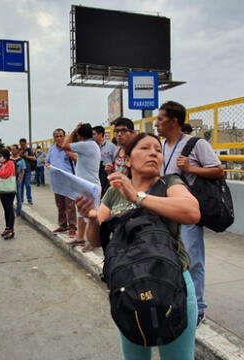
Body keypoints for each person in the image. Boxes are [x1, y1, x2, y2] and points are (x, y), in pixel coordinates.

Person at [75, 133, 200, 359]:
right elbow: (96, 240)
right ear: (129, 160)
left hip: (172, 284)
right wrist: (91, 218)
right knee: (134, 356)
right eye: (145, 148)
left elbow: (192, 212)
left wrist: (138, 197)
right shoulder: (114, 191)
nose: (154, 153)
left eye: (158, 150)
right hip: (128, 287)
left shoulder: (169, 183)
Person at [156, 100, 224, 326]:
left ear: (174, 121)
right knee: (169, 259)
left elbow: (218, 170)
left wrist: (190, 169)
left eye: (160, 119)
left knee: (192, 260)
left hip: (187, 211)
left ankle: (198, 307)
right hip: (165, 212)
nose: (157, 124)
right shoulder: (161, 145)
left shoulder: (196, 144)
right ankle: (176, 299)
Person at [61, 123, 100, 252]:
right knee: (82, 214)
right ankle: (80, 238)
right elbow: (79, 158)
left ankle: (92, 242)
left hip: (89, 186)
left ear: (80, 135)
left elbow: (64, 145)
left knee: (90, 216)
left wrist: (73, 131)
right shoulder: (90, 146)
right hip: (85, 185)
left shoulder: (86, 144)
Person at [46, 128, 78, 237]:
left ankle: (72, 227)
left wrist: (67, 150)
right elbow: (47, 162)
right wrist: (47, 165)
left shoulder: (70, 147)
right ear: (54, 138)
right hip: (57, 182)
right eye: (56, 136)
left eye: (61, 136)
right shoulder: (51, 150)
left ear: (64, 136)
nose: (59, 138)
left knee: (70, 205)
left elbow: (76, 159)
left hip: (68, 181)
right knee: (60, 205)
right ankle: (63, 225)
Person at [0, 148, 17, 239]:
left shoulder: (10, 163)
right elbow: (0, 175)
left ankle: (11, 229)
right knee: (6, 209)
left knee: (9, 209)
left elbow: (6, 174)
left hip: (9, 190)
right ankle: (7, 227)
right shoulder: (3, 164)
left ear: (5, 156)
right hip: (3, 189)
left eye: (0, 156)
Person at [93, 125, 117, 196]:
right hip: (95, 175)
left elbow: (117, 162)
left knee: (107, 196)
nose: (92, 136)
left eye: (94, 134)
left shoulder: (111, 147)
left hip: (108, 176)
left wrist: (112, 168)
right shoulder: (92, 148)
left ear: (100, 134)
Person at [19, 138, 36, 205]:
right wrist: (21, 153)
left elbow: (34, 158)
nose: (22, 146)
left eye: (23, 144)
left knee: (28, 185)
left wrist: (26, 156)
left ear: (26, 144)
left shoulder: (29, 150)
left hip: (28, 169)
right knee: (21, 185)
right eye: (21, 144)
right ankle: (21, 199)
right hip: (20, 170)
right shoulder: (19, 150)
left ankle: (29, 199)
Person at [11, 145, 27, 216]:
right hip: (10, 180)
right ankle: (11, 211)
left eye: (14, 149)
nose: (12, 151)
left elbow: (23, 170)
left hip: (17, 179)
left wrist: (21, 179)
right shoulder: (9, 160)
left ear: (17, 150)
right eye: (11, 150)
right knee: (10, 197)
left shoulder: (21, 160)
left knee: (19, 197)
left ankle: (18, 212)